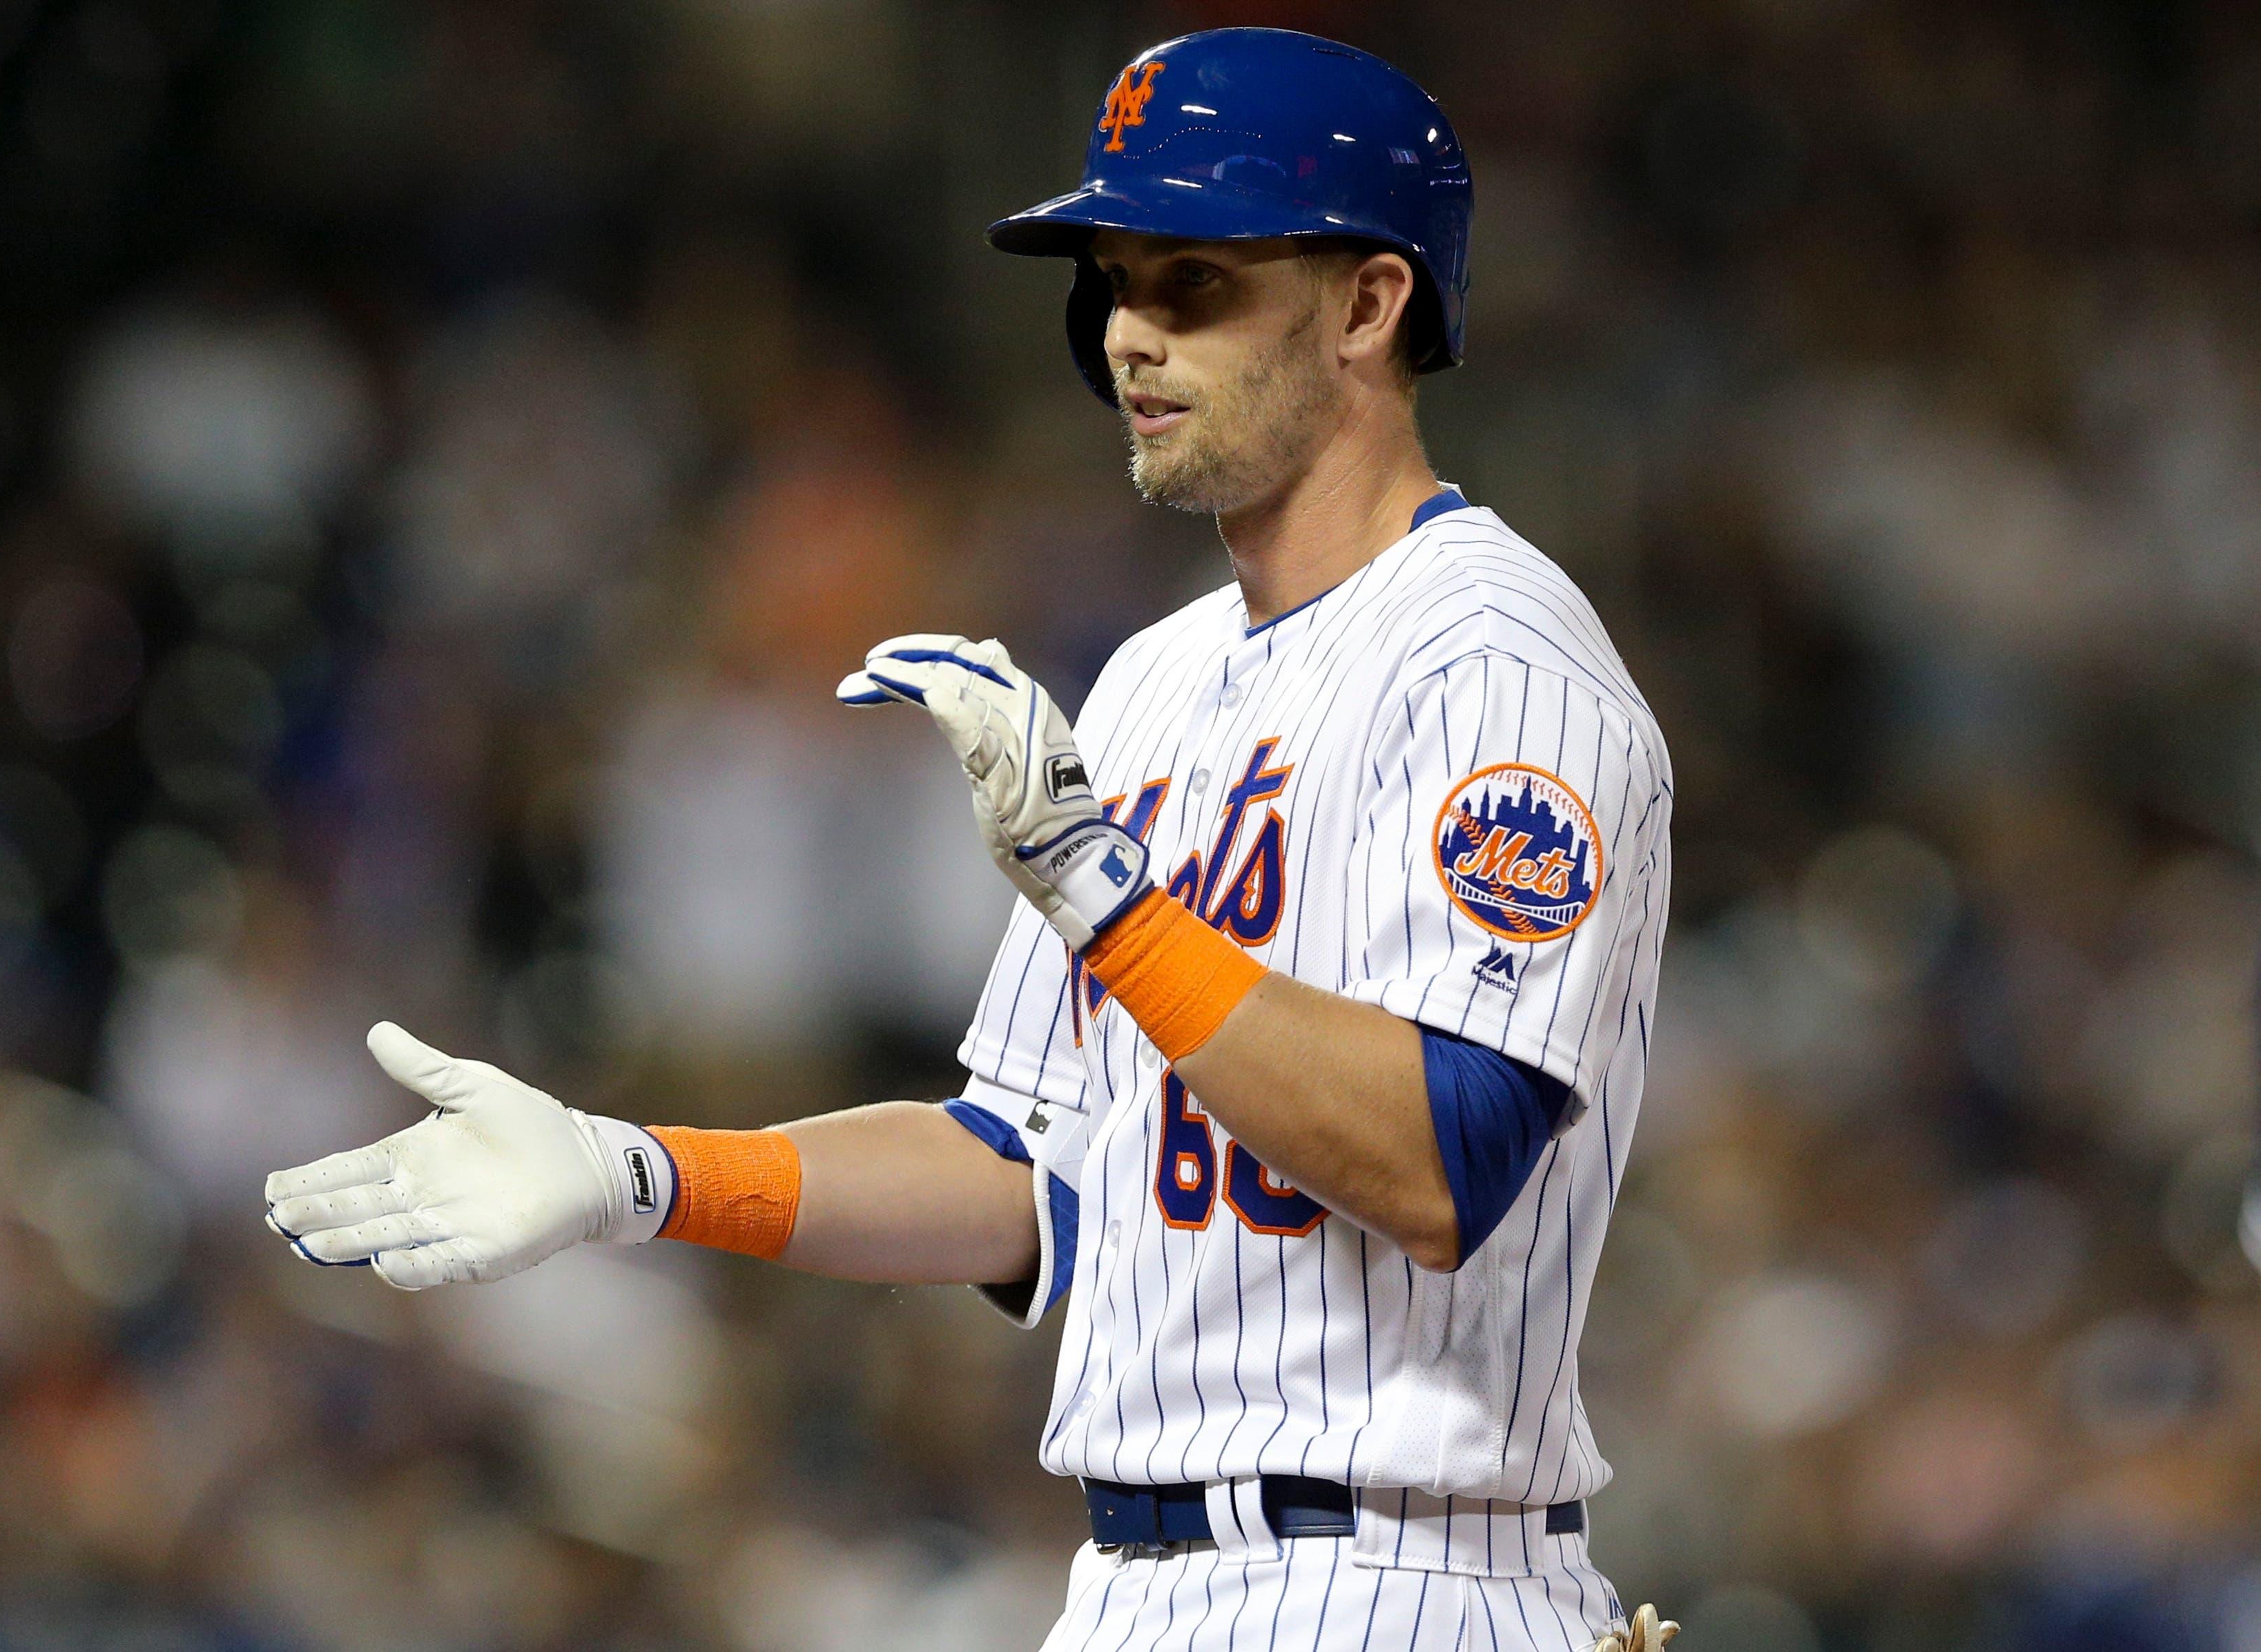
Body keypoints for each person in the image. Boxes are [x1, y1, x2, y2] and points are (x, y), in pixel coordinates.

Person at [264, 28, 1676, 1652]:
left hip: (1404, 1574)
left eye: (1197, 284)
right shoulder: (1154, 680)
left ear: (1371, 304)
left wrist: (1100, 895)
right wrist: (640, 1174)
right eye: (1117, 286)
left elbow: (1442, 1165)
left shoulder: (1491, 663)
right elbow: (1021, 1170)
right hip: (1138, 1587)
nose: (1134, 336)